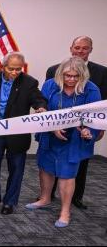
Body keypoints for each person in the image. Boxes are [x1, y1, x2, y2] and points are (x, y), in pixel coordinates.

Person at [27, 57, 101, 228]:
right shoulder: (50, 85)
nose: (71, 80)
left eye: (76, 77)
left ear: (83, 76)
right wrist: (53, 127)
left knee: (67, 173)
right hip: (50, 134)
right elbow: (42, 109)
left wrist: (88, 130)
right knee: (45, 167)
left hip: (74, 139)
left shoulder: (92, 90)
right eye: (68, 75)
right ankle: (44, 198)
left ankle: (65, 211)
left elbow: (96, 117)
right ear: (61, 74)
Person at [0, 52, 47, 215]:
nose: (15, 72)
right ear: (2, 67)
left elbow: (38, 99)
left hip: (17, 133)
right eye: (11, 69)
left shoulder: (29, 82)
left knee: (16, 168)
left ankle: (10, 202)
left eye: (18, 69)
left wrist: (40, 107)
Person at [46, 36, 107, 209]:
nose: (80, 51)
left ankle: (76, 197)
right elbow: (46, 98)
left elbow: (103, 103)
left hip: (85, 128)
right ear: (71, 48)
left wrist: (100, 127)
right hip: (56, 126)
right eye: (77, 47)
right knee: (52, 159)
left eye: (85, 48)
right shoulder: (53, 70)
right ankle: (48, 194)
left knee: (80, 161)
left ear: (90, 50)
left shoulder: (103, 72)